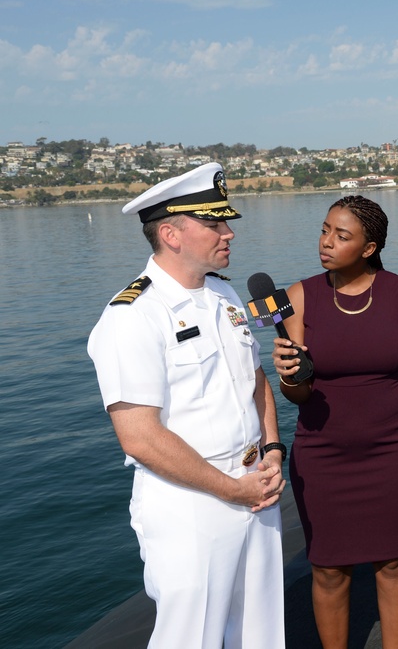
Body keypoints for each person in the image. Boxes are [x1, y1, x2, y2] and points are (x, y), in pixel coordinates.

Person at [87, 162, 286, 647]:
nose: (229, 233)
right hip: (191, 504)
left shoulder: (223, 293)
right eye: (215, 223)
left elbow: (255, 381)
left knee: (261, 632)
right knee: (191, 638)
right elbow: (140, 437)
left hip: (256, 486)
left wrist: (275, 450)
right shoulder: (132, 316)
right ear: (172, 234)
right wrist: (230, 489)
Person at [271, 195, 398, 648]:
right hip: (322, 455)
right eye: (325, 229)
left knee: (397, 563)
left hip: (394, 451)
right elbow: (298, 395)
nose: (326, 242)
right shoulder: (298, 297)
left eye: (341, 235)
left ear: (369, 247)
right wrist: (289, 376)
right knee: (327, 570)